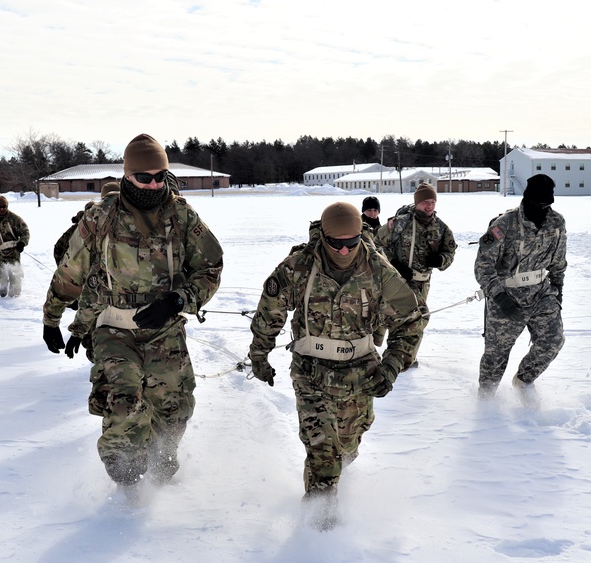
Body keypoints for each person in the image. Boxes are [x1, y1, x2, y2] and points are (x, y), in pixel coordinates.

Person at [40, 133, 223, 494]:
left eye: (160, 176)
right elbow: (71, 271)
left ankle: (161, 463)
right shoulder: (102, 216)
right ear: (127, 176)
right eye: (144, 177)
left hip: (165, 330)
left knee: (174, 410)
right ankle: (127, 486)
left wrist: (177, 300)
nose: (154, 184)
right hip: (115, 330)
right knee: (125, 405)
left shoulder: (181, 215)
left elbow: (211, 267)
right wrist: (52, 318)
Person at [248, 202, 424, 529]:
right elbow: (269, 312)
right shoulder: (298, 268)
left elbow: (411, 321)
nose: (344, 250)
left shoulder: (378, 270)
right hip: (311, 372)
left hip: (361, 372)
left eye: (352, 242)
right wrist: (260, 353)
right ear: (323, 238)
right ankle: (319, 533)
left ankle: (336, 475)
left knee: (346, 449)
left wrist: (392, 364)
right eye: (336, 243)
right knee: (323, 458)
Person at [474, 173, 567, 398]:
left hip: (541, 293)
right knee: (496, 354)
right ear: (528, 199)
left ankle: (524, 380)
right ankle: (485, 400)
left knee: (553, 341)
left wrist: (558, 289)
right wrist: (499, 296)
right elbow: (482, 265)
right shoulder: (503, 225)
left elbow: (558, 261)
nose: (543, 209)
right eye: (539, 204)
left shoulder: (556, 222)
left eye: (547, 204)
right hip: (506, 296)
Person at [375, 182, 457, 365]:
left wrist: (441, 260)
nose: (429, 206)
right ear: (417, 202)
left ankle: (406, 356)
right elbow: (376, 244)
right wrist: (393, 264)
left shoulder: (441, 228)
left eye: (432, 202)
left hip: (423, 282)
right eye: (425, 202)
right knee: (415, 316)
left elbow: (450, 252)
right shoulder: (400, 223)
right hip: (397, 280)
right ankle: (395, 353)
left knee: (410, 319)